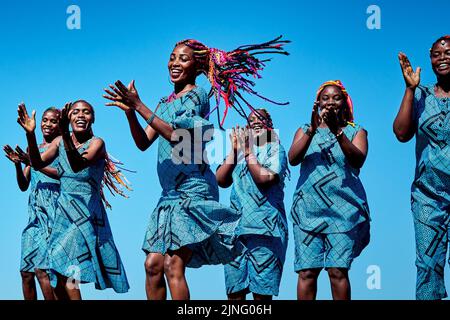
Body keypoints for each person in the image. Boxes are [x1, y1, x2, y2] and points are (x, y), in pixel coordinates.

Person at [103, 36, 289, 300]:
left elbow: (177, 135)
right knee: (152, 265)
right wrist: (130, 112)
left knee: (172, 264)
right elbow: (143, 142)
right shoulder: (163, 104)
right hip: (169, 194)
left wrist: (139, 105)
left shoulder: (197, 95)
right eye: (172, 57)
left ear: (196, 66)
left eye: (183, 58)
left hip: (193, 189)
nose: (174, 63)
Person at [17, 101, 130, 300]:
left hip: (85, 215)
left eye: (86, 112)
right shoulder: (61, 142)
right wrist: (30, 134)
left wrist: (64, 133)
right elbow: (37, 163)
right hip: (62, 217)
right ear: (69, 117)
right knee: (58, 274)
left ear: (92, 119)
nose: (80, 115)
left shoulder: (97, 143)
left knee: (69, 273)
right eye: (75, 111)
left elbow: (78, 164)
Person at [288, 80, 370, 300]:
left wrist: (337, 132)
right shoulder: (305, 130)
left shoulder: (356, 131)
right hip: (307, 210)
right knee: (306, 271)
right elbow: (293, 158)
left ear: (344, 102)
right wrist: (312, 129)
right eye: (325, 98)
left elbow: (358, 159)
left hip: (343, 211)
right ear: (317, 103)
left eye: (336, 97)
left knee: (337, 271)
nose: (331, 102)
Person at [394, 35, 450, 300]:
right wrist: (409, 89)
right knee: (427, 266)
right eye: (436, 54)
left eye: (448, 52)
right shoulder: (422, 95)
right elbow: (402, 133)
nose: (442, 58)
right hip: (428, 196)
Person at [216, 109, 288, 300]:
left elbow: (265, 178)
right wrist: (234, 150)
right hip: (235, 232)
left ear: (270, 125)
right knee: (235, 294)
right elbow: (221, 180)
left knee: (261, 295)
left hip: (266, 231)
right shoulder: (239, 152)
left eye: (261, 119)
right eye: (251, 120)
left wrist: (248, 153)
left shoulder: (275, 149)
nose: (256, 122)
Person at [4, 107, 61, 300]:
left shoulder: (62, 146)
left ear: (61, 124)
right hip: (35, 216)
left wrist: (36, 163)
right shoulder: (33, 149)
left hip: (56, 211)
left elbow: (65, 175)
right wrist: (18, 165)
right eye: (45, 120)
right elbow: (23, 184)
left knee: (44, 270)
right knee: (26, 271)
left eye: (53, 121)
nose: (47, 124)